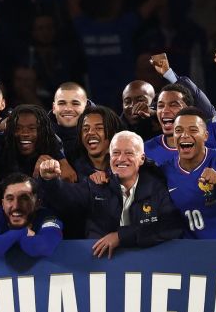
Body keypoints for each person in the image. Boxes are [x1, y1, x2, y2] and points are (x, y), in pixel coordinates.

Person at [39, 131, 183, 257]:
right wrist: (50, 181)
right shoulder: (96, 185)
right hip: (100, 267)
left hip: (144, 267)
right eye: (116, 153)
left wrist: (121, 236)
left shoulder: (155, 188)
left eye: (129, 153)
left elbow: (171, 225)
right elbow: (66, 200)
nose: (121, 159)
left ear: (142, 159)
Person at [144, 49, 216, 166]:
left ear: (189, 108)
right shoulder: (146, 150)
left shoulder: (213, 130)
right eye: (160, 106)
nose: (165, 110)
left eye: (174, 105)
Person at [158, 108, 216, 239]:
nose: (185, 135)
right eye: (178, 130)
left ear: (206, 135)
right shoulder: (164, 171)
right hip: (189, 252)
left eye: (193, 130)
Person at [0, 173, 63, 261]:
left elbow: (43, 248)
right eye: (10, 198)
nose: (16, 206)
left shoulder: (48, 217)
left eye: (24, 198)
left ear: (37, 203)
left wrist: (7, 239)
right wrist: (21, 233)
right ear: (3, 204)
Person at [74, 106, 123, 178]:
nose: (90, 132)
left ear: (114, 133)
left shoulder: (126, 167)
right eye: (86, 129)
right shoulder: (73, 171)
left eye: (99, 128)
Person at [51, 82, 89, 164]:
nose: (68, 109)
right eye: (62, 103)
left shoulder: (104, 137)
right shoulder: (39, 138)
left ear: (86, 108)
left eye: (75, 103)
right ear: (54, 108)